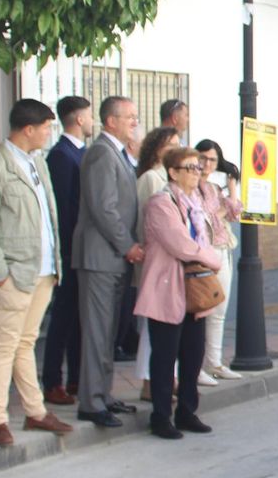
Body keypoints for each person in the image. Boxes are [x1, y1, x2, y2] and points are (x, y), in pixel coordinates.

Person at [0, 99, 73, 446]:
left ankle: (35, 411)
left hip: (42, 270)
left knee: (26, 343)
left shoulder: (37, 162)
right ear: (28, 129)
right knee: (3, 345)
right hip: (12, 273)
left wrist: (55, 263)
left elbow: (48, 216)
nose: (49, 133)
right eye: (45, 127)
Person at [134, 146, 222, 440]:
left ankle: (187, 411)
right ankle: (161, 416)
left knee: (193, 353)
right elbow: (181, 244)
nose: (197, 172)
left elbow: (212, 230)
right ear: (173, 172)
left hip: (195, 289)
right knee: (164, 355)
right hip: (167, 287)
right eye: (190, 168)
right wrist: (212, 259)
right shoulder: (161, 202)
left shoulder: (197, 202)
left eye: (198, 167)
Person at [72, 96, 144, 428]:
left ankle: (103, 393)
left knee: (108, 333)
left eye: (135, 117)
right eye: (129, 117)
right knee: (97, 332)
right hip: (101, 257)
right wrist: (127, 245)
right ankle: (91, 401)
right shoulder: (101, 152)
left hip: (113, 259)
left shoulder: (117, 153)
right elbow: (104, 208)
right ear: (110, 121)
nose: (134, 121)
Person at [43, 96, 90, 404]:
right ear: (79, 119)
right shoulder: (61, 155)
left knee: (78, 318)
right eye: (88, 115)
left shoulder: (83, 152)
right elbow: (62, 208)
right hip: (70, 249)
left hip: (83, 248)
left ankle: (76, 377)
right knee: (62, 318)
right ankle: (52, 380)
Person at [134, 126, 181, 399]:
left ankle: (163, 379)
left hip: (169, 264)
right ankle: (149, 382)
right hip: (156, 263)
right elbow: (146, 223)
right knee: (152, 328)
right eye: (170, 144)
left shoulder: (168, 178)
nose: (176, 146)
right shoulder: (152, 178)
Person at [193, 139, 244, 381]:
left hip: (223, 249)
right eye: (203, 158)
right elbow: (204, 220)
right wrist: (221, 213)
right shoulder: (190, 188)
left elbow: (234, 212)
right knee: (202, 308)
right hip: (203, 253)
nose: (207, 164)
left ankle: (214, 362)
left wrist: (232, 185)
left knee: (220, 309)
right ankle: (196, 366)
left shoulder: (214, 188)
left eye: (213, 159)